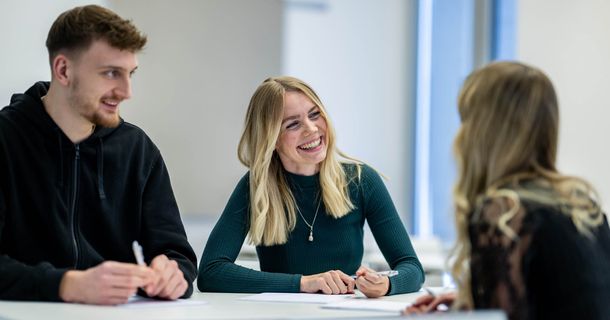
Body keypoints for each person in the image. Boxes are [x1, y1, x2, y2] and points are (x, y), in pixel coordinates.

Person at [0, 5, 197, 305]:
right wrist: (67, 285)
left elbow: (176, 254)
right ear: (63, 70)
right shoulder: (5, 138)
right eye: (110, 73)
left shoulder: (137, 149)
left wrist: (172, 274)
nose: (126, 91)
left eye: (130, 74)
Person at [406, 62, 610, 318]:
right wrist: (473, 303)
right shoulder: (580, 204)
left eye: (466, 120)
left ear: (482, 133)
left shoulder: (504, 214)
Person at [197, 76, 424, 297]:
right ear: (272, 138)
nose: (312, 129)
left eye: (315, 115)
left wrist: (386, 284)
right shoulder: (256, 186)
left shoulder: (362, 180)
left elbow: (411, 267)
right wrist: (304, 283)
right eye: (293, 124)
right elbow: (211, 271)